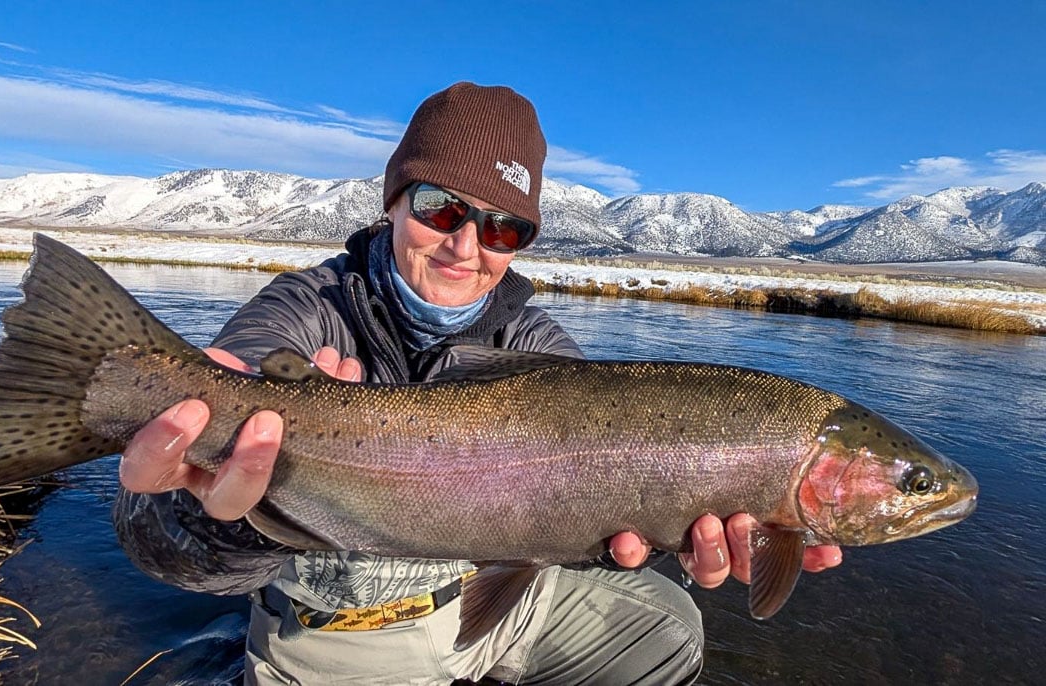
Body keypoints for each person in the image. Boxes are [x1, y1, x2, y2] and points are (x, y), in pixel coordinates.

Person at [113, 82, 842, 685]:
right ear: (393, 202)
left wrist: (663, 520)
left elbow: (597, 515)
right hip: (341, 633)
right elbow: (159, 549)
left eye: (502, 229)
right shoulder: (304, 312)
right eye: (441, 208)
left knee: (667, 625)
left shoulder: (537, 345)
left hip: (498, 603)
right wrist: (218, 507)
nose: (467, 245)